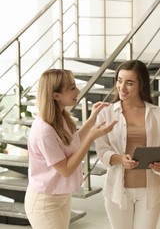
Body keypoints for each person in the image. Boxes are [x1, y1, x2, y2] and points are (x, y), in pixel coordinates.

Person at [25, 69, 117, 229]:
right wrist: (91, 138)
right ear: (56, 95)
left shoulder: (60, 118)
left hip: (61, 196)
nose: (78, 91)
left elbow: (73, 142)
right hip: (45, 201)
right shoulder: (44, 131)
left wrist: (91, 119)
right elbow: (65, 169)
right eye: (72, 87)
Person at [95, 60, 160, 229]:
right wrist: (121, 159)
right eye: (119, 80)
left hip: (150, 190)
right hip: (118, 190)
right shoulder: (106, 113)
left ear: (141, 85)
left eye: (129, 83)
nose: (122, 87)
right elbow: (102, 151)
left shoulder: (157, 113)